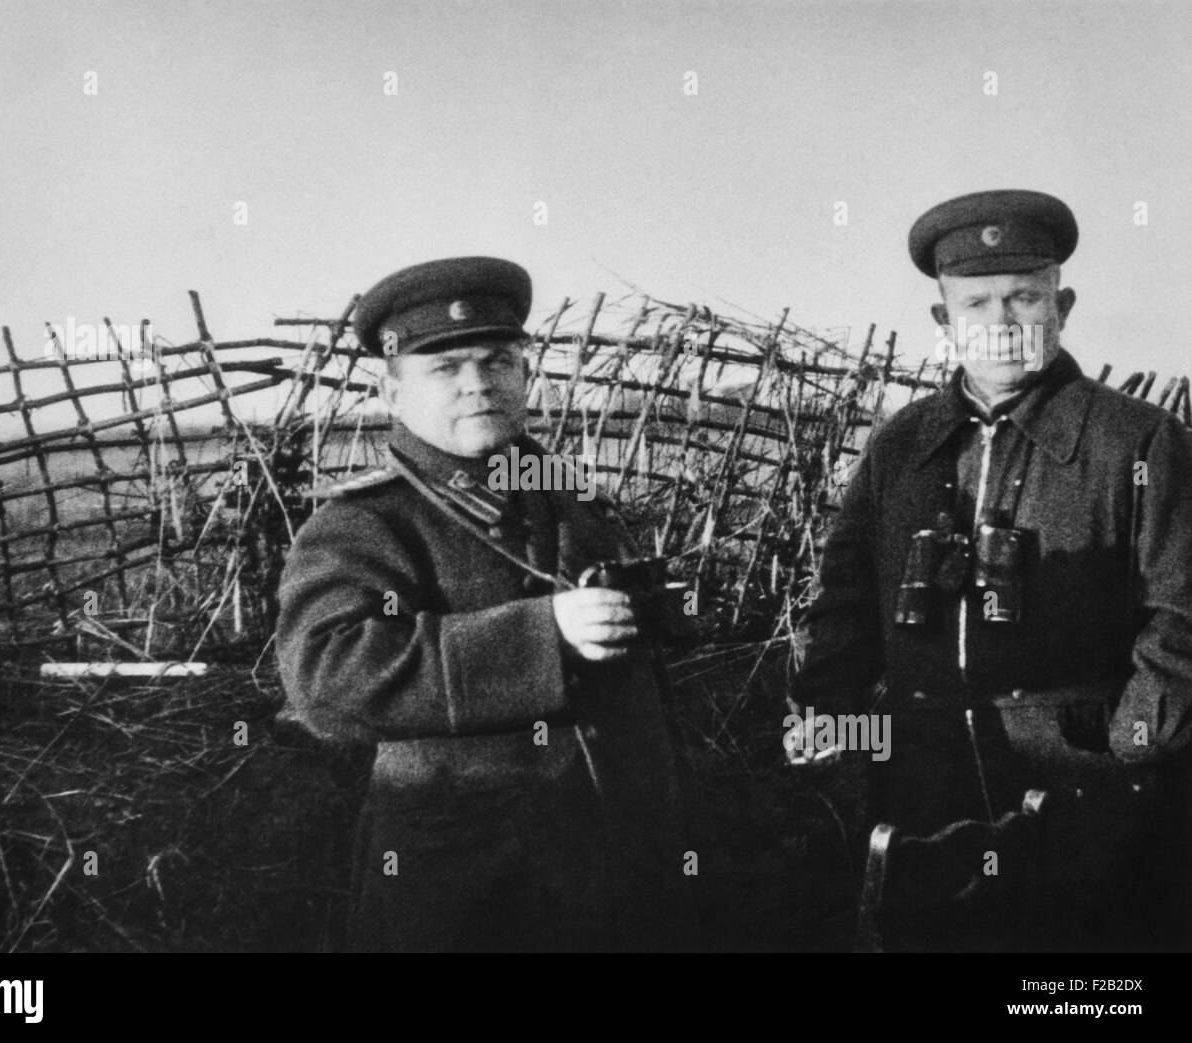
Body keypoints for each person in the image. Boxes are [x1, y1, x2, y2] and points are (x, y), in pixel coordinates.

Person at [787, 190, 1192, 950]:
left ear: (1061, 305)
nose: (1002, 324)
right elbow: (841, 611)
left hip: (1084, 797)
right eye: (976, 303)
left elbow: (1182, 620)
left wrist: (1125, 755)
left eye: (1024, 297)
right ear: (944, 321)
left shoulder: (1137, 442)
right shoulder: (899, 448)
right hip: (923, 796)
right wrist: (834, 727)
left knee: (1080, 992)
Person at [275, 256, 699, 952]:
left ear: (524, 374)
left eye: (497, 360)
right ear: (392, 389)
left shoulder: (570, 497)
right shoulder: (366, 524)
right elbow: (327, 676)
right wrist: (543, 636)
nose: (478, 385)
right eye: (444, 369)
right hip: (461, 888)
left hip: (618, 875)